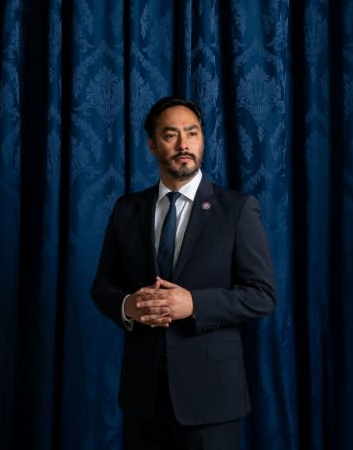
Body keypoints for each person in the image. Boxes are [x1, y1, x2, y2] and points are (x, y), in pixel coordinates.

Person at [90, 96, 277, 449]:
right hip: (143, 398)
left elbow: (263, 295)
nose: (183, 144)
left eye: (192, 133)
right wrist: (128, 306)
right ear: (152, 144)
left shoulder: (236, 209)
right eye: (171, 135)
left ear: (202, 139)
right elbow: (103, 287)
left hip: (212, 400)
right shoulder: (127, 209)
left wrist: (193, 304)